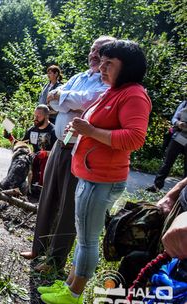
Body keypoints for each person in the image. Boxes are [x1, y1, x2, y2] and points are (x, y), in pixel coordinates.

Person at [39, 40, 152, 304]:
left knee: (88, 240)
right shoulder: (113, 91)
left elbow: (135, 138)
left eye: (109, 63)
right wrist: (80, 131)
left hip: (103, 178)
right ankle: (67, 286)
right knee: (83, 235)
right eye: (102, 61)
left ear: (128, 67)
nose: (102, 67)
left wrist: (90, 131)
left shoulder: (133, 94)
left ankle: (74, 294)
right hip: (89, 174)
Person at [19, 36, 115, 271]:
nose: (94, 54)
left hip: (80, 150)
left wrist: (63, 98)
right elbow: (52, 103)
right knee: (47, 197)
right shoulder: (80, 77)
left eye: (99, 50)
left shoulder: (108, 82)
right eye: (92, 49)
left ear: (108, 56)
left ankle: (55, 260)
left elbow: (89, 102)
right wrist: (65, 99)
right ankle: (38, 248)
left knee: (67, 206)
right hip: (59, 144)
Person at [147, 100, 187, 192]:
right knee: (167, 162)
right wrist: (178, 123)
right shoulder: (185, 103)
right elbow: (174, 118)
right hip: (179, 136)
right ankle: (157, 186)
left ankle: (183, 191)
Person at [22, 104, 57, 186]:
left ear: (46, 117)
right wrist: (10, 137)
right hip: (34, 158)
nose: (36, 119)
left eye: (39, 116)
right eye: (35, 116)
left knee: (44, 159)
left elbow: (57, 152)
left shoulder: (53, 131)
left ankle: (42, 187)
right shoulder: (31, 129)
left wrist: (46, 153)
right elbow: (22, 144)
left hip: (48, 161)